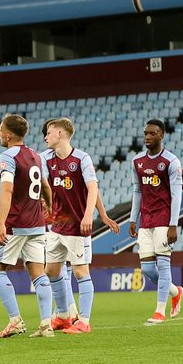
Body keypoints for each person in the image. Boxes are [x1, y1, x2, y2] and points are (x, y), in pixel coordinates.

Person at [41, 117, 117, 335]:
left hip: (77, 225)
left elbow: (92, 188)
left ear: (61, 134)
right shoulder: (46, 159)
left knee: (80, 271)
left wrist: (89, 216)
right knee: (52, 270)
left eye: (49, 132)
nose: (46, 136)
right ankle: (64, 315)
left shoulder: (82, 158)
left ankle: (84, 320)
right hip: (56, 226)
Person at [0, 113, 55, 338]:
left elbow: (7, 189)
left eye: (0, 129)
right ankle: (46, 324)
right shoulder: (36, 156)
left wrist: (0, 224)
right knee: (38, 273)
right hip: (37, 224)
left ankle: (15, 320)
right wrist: (49, 207)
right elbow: (46, 186)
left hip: (16, 224)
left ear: (8, 134)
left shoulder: (7, 157)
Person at [128, 119, 183, 326]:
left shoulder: (171, 162)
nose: (147, 137)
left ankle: (159, 311)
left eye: (152, 134)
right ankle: (175, 291)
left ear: (161, 135)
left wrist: (173, 224)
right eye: (146, 133)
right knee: (147, 270)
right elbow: (137, 191)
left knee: (162, 264)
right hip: (145, 220)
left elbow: (176, 194)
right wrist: (133, 219)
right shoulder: (137, 162)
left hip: (163, 219)